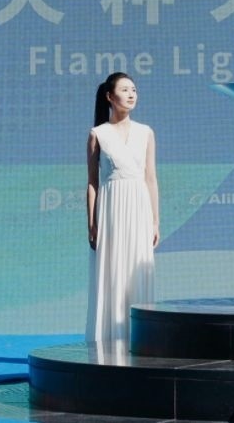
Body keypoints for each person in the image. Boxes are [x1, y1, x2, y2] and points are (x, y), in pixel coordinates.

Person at [86, 72, 159, 346]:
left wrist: (155, 221)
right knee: (113, 273)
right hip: (111, 212)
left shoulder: (146, 132)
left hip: (139, 209)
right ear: (109, 96)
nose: (131, 95)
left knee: (137, 272)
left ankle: (139, 340)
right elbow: (92, 183)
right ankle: (109, 341)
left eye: (134, 90)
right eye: (125, 90)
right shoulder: (98, 134)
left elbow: (150, 178)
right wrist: (92, 223)